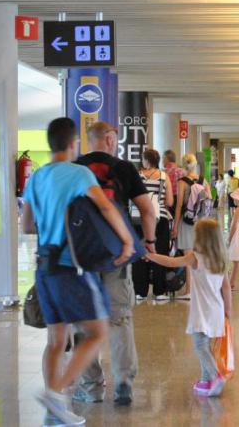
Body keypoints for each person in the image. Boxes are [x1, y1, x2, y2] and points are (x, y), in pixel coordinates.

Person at [21, 118, 134, 425]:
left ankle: (54, 414)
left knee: (56, 341)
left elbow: (27, 225)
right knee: (97, 332)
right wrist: (126, 241)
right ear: (74, 144)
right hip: (71, 268)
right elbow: (107, 207)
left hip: (44, 268)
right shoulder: (79, 173)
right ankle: (55, 395)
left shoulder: (37, 177)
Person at [74, 121, 156, 405]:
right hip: (116, 253)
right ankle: (123, 383)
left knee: (83, 320)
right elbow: (147, 210)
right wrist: (149, 241)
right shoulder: (124, 168)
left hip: (81, 256)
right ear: (109, 139)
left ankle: (91, 386)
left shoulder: (75, 168)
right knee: (120, 317)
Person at [145, 219, 232, 397]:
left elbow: (171, 262)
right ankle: (205, 379)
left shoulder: (196, 257)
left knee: (200, 345)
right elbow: (226, 287)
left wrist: (151, 256)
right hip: (216, 309)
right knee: (206, 345)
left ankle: (216, 375)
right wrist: (228, 310)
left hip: (202, 311)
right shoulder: (220, 259)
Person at [132, 149, 174, 301]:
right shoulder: (164, 176)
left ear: (146, 161)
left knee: (139, 254)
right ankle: (159, 291)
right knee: (160, 253)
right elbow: (170, 201)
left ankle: (140, 291)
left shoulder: (137, 176)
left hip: (139, 218)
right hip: (159, 218)